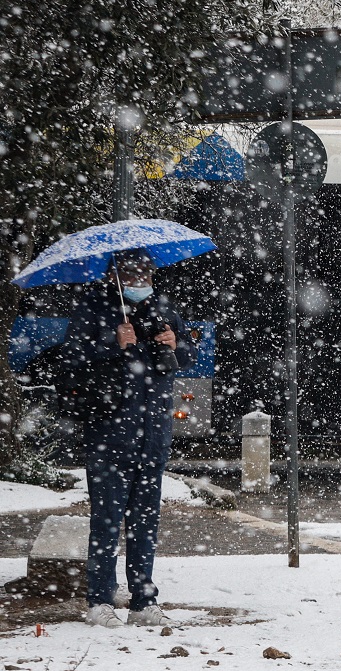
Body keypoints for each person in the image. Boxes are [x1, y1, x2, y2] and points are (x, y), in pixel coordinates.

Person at [62, 249, 196, 628]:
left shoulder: (163, 307)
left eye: (147, 270)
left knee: (145, 520)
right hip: (110, 430)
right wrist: (113, 344)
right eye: (133, 272)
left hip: (153, 432)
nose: (141, 278)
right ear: (115, 275)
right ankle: (100, 600)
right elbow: (71, 362)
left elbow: (187, 354)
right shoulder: (95, 307)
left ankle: (143, 601)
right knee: (106, 518)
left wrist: (175, 345)